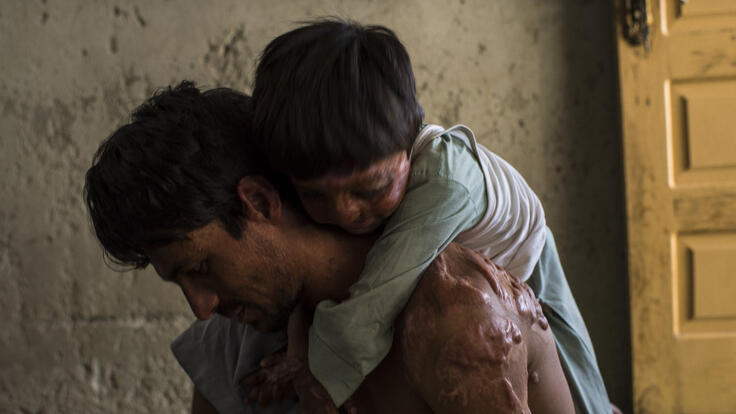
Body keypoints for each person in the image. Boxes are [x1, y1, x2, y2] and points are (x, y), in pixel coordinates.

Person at [83, 82, 575, 413]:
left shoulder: (455, 317)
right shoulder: (242, 336)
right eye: (182, 282)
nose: (202, 306)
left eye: (202, 268)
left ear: (258, 200)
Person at [251, 19, 611, 413]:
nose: (345, 212)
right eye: (313, 196)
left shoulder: (446, 184)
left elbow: (370, 308)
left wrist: (304, 366)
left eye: (369, 189)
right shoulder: (368, 184)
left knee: (581, 392)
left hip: (535, 269)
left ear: (410, 141)